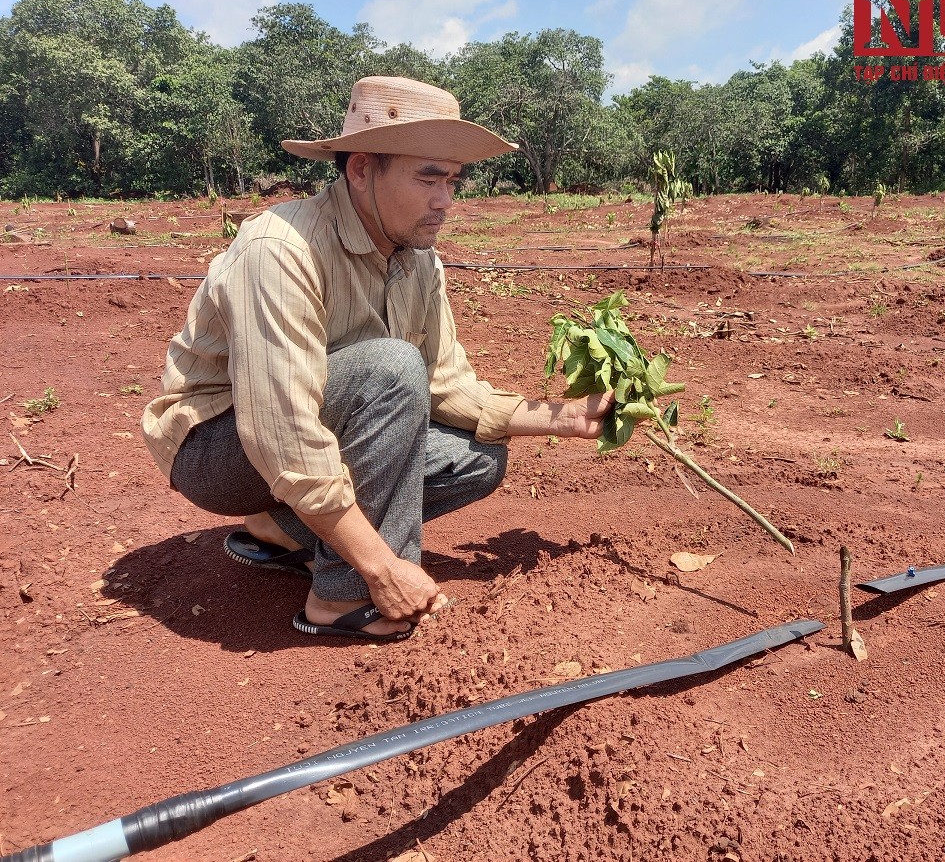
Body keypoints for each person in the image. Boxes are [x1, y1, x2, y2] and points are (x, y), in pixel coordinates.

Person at [142, 76, 612, 642]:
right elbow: (278, 429)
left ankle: (283, 530)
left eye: (454, 181)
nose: (445, 201)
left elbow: (445, 383)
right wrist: (383, 566)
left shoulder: (419, 260)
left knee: (478, 459)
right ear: (362, 170)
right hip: (218, 447)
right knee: (391, 368)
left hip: (309, 427)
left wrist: (564, 419)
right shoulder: (281, 248)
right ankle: (340, 598)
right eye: (428, 179)